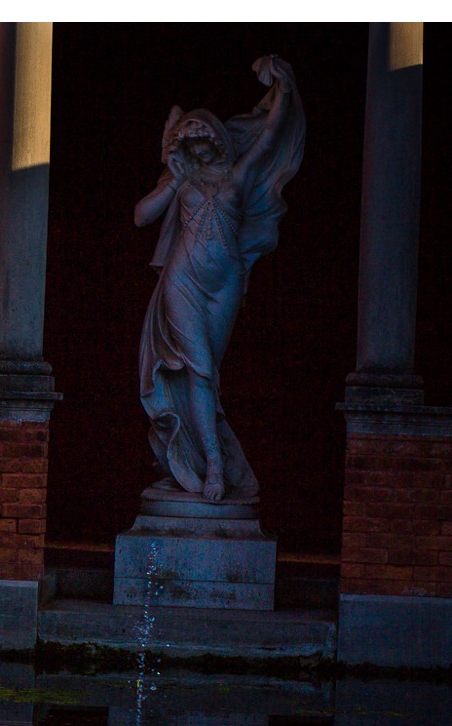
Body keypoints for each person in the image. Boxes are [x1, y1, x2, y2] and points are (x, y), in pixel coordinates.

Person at [133, 55, 304, 502]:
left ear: (216, 140)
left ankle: (198, 454)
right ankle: (211, 465)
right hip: (183, 281)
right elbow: (140, 216)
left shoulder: (239, 176)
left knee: (209, 375)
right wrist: (174, 181)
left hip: (224, 286)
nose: (200, 146)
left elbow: (269, 138)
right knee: (201, 370)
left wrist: (284, 90)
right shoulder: (180, 178)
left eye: (204, 138)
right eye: (191, 141)